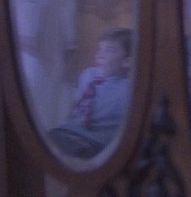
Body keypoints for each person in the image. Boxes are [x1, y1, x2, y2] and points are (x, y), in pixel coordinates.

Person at [48, 27, 133, 158]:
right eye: (100, 49)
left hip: (94, 142)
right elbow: (78, 103)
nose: (100, 55)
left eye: (110, 50)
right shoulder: (87, 74)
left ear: (127, 61)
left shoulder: (128, 88)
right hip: (66, 131)